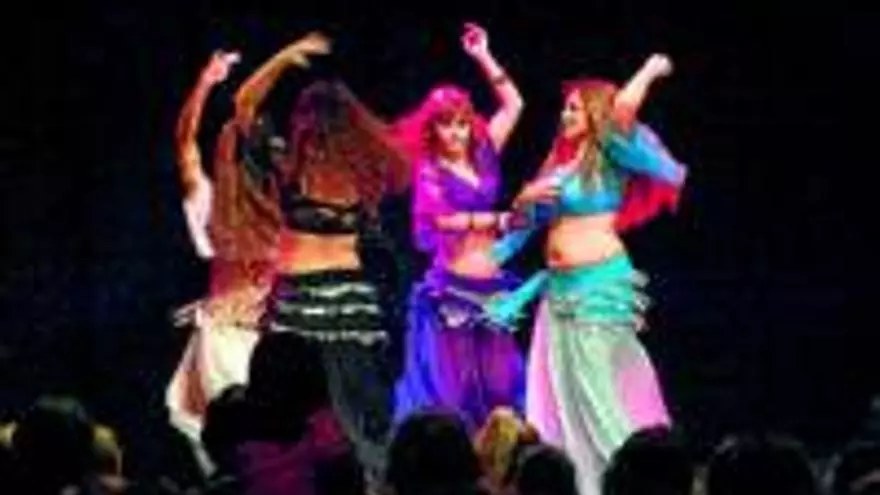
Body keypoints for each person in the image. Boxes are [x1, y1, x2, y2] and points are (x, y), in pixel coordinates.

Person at [484, 53, 687, 495]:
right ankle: (581, 485)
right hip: (558, 292)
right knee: (561, 398)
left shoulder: (611, 155)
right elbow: (524, 225)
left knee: (598, 395)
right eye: (565, 108)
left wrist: (650, 69)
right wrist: (522, 201)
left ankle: (640, 483)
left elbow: (623, 109)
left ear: (595, 114)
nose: (565, 115)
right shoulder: (558, 168)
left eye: (575, 108)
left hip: (597, 288)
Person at [165, 35, 328, 473]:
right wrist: (205, 84)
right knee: (236, 446)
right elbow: (184, 142)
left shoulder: (285, 212)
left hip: (270, 343)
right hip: (224, 339)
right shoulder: (210, 203)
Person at [392, 22, 526, 433]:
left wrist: (484, 55)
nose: (455, 132)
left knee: (501, 387)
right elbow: (443, 221)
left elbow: (514, 104)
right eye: (446, 124)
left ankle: (498, 455)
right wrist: (494, 219)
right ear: (432, 128)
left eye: (462, 123)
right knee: (455, 392)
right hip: (453, 289)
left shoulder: (484, 154)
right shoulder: (429, 169)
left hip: (493, 288)